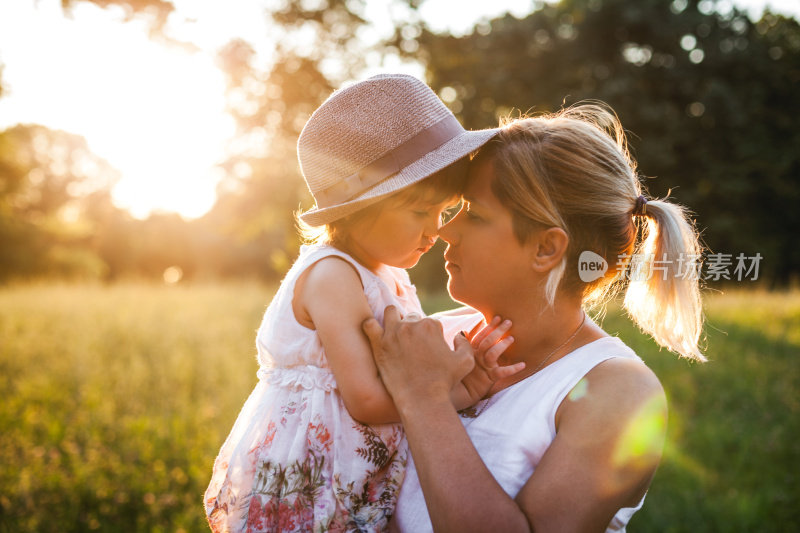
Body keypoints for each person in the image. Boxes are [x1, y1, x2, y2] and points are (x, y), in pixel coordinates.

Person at [362, 103, 706, 532]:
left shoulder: (619, 392)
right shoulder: (438, 333)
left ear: (547, 249)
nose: (447, 231)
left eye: (477, 214)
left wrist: (426, 399)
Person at [203, 74, 514, 532]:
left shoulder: (387, 275)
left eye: (443, 212)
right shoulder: (333, 275)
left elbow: (406, 368)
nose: (436, 230)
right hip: (313, 478)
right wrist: (458, 391)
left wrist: (460, 375)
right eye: (419, 212)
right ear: (361, 207)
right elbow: (367, 399)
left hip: (358, 474)